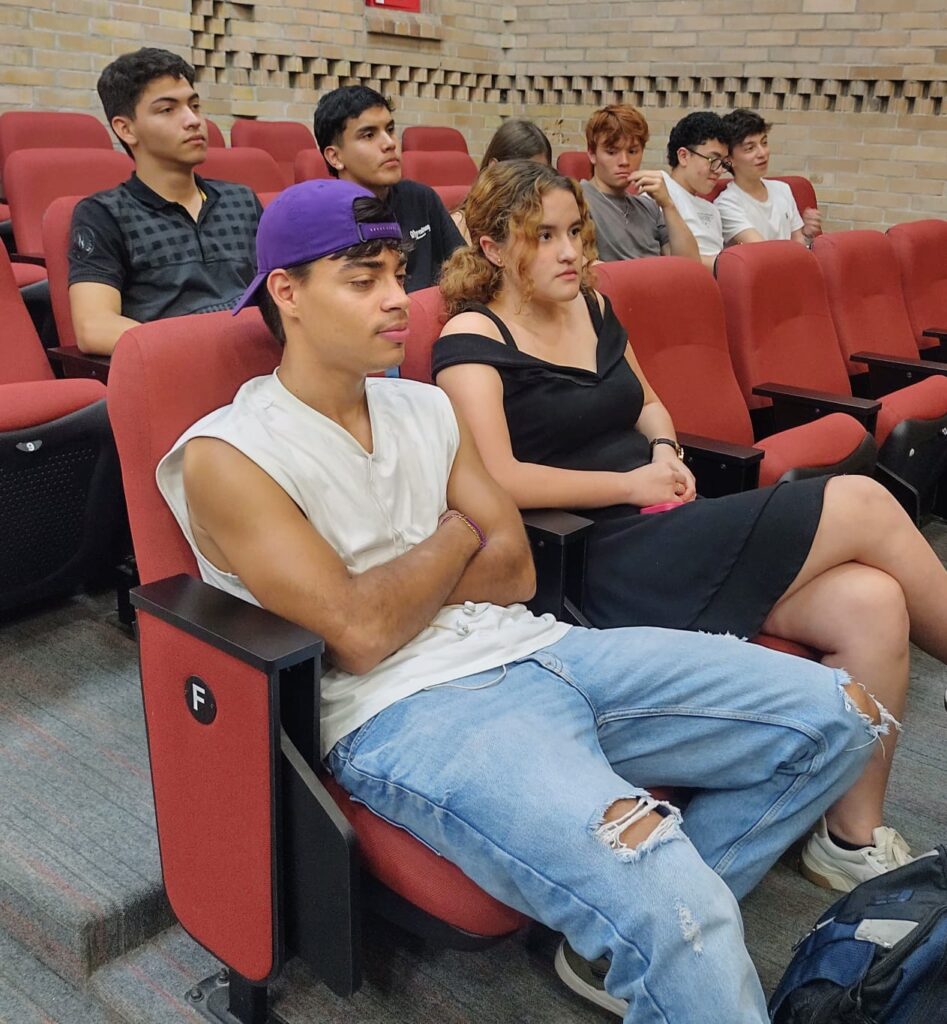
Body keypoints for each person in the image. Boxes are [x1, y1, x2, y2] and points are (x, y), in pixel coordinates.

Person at [155, 178, 879, 1023]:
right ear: (287, 293)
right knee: (678, 905)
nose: (400, 300)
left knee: (842, 714)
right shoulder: (228, 454)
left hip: (533, 644)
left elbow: (516, 573)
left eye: (398, 271)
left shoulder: (422, 406)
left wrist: (413, 570)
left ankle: (623, 937)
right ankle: (662, 924)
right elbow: (358, 633)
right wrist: (460, 532)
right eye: (364, 280)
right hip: (408, 713)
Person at [434, 160, 947, 907]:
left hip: (659, 524)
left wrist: (667, 454)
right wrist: (628, 485)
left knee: (870, 601)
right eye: (540, 237)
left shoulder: (593, 307)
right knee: (861, 499)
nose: (568, 251)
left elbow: (647, 405)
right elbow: (498, 478)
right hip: (586, 559)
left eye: (572, 231)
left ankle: (848, 841)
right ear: (488, 246)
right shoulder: (469, 335)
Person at [68, 48, 261, 355]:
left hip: (262, 366)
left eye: (194, 105)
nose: (193, 120)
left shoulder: (242, 201)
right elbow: (94, 327)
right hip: (178, 370)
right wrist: (200, 349)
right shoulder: (104, 214)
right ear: (125, 128)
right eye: (167, 110)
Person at [313, 85, 464, 292]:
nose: (389, 143)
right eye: (368, 135)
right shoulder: (321, 219)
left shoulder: (421, 198)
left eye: (390, 130)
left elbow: (465, 271)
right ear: (335, 157)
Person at [580, 105, 699, 263]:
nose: (624, 162)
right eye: (612, 152)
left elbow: (690, 266)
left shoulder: (649, 207)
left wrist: (668, 204)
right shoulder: (577, 200)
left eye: (632, 151)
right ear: (592, 154)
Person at [716, 108, 823, 247]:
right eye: (750, 148)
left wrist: (807, 234)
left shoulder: (782, 189)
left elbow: (799, 243)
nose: (762, 153)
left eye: (764, 143)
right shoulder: (727, 204)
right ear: (729, 159)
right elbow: (765, 252)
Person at [452, 119, 551, 243]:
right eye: (524, 177)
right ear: (494, 168)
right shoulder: (458, 227)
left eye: (541, 178)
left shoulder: (549, 226)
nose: (534, 188)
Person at [660, 111, 730, 270]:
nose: (719, 170)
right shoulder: (660, 193)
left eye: (724, 163)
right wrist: (726, 266)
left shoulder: (712, 209)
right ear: (683, 156)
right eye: (713, 160)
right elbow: (669, 257)